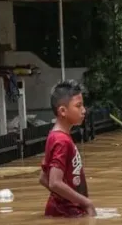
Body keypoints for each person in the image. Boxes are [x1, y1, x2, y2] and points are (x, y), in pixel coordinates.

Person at [39, 80, 96, 217]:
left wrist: (65, 199)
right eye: (78, 106)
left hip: (66, 211)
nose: (83, 110)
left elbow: (43, 177)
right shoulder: (62, 140)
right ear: (63, 111)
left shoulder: (56, 136)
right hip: (67, 214)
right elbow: (54, 182)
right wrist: (85, 202)